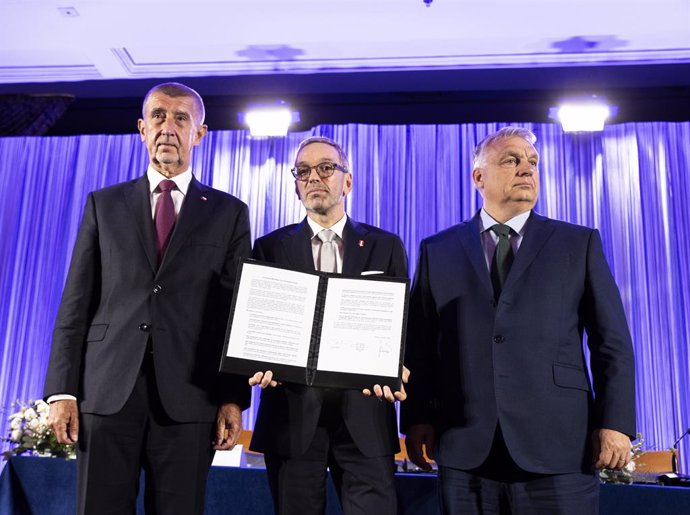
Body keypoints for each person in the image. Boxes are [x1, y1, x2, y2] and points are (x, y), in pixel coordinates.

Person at [402, 126, 636, 514]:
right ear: (479, 177)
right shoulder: (438, 250)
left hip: (558, 449)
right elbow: (421, 346)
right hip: (466, 449)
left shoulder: (579, 244)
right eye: (511, 160)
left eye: (532, 162)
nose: (526, 169)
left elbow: (611, 343)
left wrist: (616, 423)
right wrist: (416, 418)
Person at [43, 82, 252, 515]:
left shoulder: (228, 213)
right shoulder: (104, 203)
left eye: (181, 118)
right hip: (106, 391)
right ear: (142, 128)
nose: (168, 127)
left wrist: (232, 397)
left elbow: (237, 313)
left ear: (200, 133)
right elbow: (76, 302)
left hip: (191, 398)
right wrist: (62, 390)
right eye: (158, 116)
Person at [248, 136, 408, 515]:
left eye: (325, 168)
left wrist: (397, 364)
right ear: (296, 184)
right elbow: (259, 323)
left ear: (347, 181)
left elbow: (403, 324)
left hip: (366, 416)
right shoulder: (268, 248)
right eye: (303, 171)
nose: (313, 177)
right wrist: (257, 359)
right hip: (292, 417)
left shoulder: (385, 245)